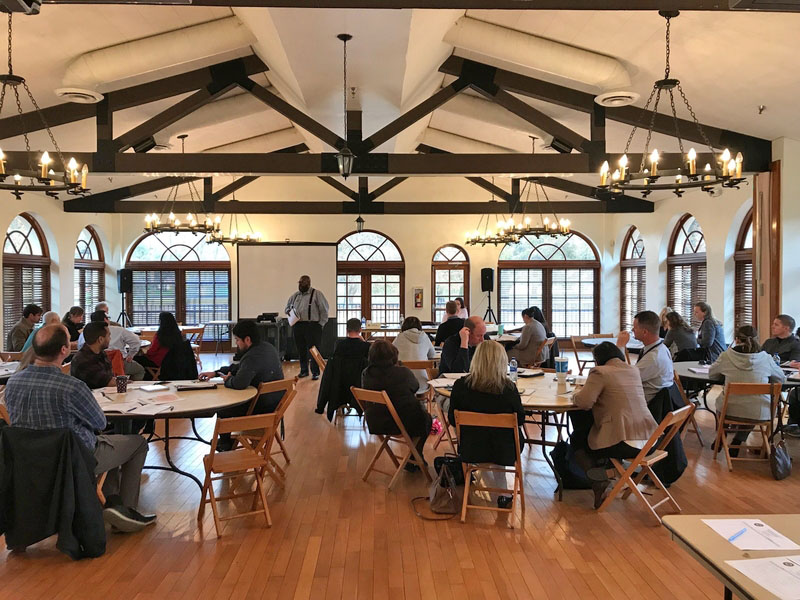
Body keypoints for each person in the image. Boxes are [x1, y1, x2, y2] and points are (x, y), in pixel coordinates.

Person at [4, 325, 154, 532]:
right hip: (74, 457)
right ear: (64, 350)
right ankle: (126, 512)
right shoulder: (72, 387)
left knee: (113, 444)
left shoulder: (12, 383)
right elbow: (100, 423)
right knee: (136, 444)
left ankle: (112, 501)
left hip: (30, 459)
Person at [572, 342, 658, 508]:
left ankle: (599, 479)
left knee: (578, 437)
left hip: (624, 443)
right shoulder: (633, 370)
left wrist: (574, 395)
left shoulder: (600, 372)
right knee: (593, 430)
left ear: (598, 360)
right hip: (650, 441)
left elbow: (584, 403)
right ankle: (607, 470)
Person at [448, 340, 525, 508]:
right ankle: (504, 494)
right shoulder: (508, 389)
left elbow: (452, 419)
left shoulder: (461, 386)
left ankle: (495, 487)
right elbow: (519, 420)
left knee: (487, 438)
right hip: (506, 450)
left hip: (471, 447)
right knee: (503, 437)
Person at [200, 320, 284, 451]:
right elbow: (240, 368)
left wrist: (227, 380)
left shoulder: (251, 356)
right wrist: (216, 372)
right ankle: (225, 442)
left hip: (261, 408)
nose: (236, 344)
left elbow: (239, 383)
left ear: (247, 340)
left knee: (224, 408)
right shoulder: (267, 348)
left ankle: (225, 444)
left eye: (237, 340)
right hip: (274, 404)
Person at [709, 325, 785, 452]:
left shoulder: (727, 356)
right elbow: (780, 378)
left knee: (723, 403)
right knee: (755, 404)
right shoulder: (766, 358)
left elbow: (712, 374)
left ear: (736, 339)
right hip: (759, 412)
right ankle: (739, 440)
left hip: (730, 409)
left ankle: (722, 435)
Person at [361, 340, 432, 469]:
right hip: (399, 422)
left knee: (416, 416)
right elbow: (415, 387)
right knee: (426, 419)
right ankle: (415, 455)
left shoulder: (366, 374)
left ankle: (414, 456)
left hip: (376, 421)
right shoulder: (403, 372)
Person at [316, 318, 370, 418]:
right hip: (360, 386)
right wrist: (363, 341)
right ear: (360, 330)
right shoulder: (366, 346)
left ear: (346, 330)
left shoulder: (339, 345)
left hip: (340, 387)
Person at [617, 310, 673, 404]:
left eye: (635, 328)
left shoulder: (653, 358)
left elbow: (622, 378)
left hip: (645, 406)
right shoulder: (662, 348)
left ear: (645, 332)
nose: (632, 330)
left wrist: (620, 346)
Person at [79, 310, 145, 381]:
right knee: (140, 371)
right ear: (105, 319)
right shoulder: (118, 330)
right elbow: (136, 341)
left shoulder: (85, 333)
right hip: (119, 363)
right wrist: (131, 355)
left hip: (93, 363)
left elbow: (80, 347)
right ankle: (128, 387)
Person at [285, 275, 329, 380]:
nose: (301, 285)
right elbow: (286, 308)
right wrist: (290, 312)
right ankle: (304, 371)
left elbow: (324, 309)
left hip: (312, 325)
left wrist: (320, 324)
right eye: (300, 283)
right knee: (301, 349)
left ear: (309, 284)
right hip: (298, 325)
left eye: (303, 284)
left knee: (314, 350)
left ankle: (315, 372)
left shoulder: (316, 294)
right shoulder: (295, 296)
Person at [393, 316, 436, 393]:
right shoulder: (424, 336)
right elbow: (432, 355)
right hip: (423, 383)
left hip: (403, 383)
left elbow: (391, 354)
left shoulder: (400, 337)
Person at [133, 311, 184, 377]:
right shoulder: (178, 334)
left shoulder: (160, 335)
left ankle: (142, 376)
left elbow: (152, 352)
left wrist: (145, 352)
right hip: (173, 362)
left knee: (135, 358)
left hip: (159, 361)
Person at [70, 322, 115, 390]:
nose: (110, 339)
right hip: (93, 398)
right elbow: (108, 383)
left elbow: (110, 377)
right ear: (100, 339)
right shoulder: (83, 360)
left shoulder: (101, 354)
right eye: (108, 336)